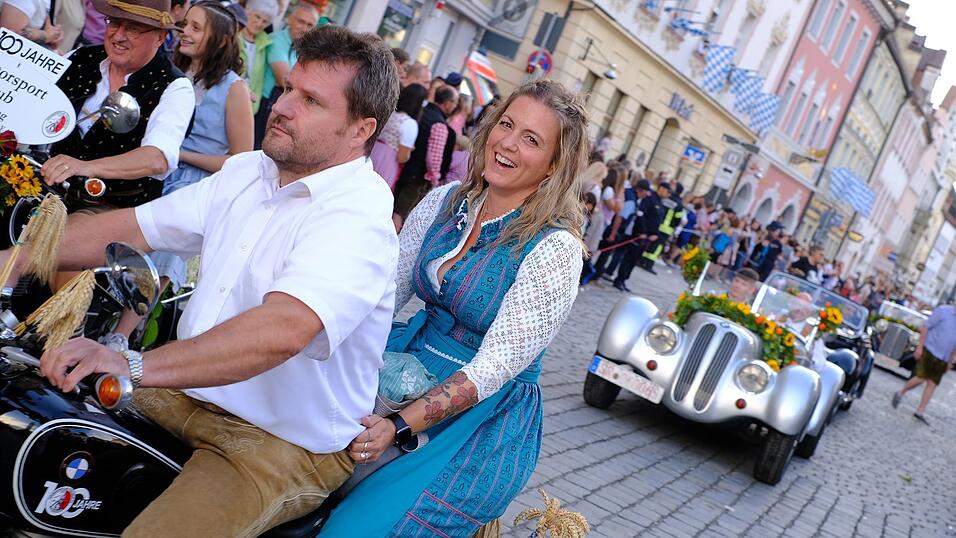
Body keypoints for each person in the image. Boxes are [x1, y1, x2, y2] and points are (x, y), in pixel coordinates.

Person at [22, 25, 400, 535]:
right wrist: (17, 254)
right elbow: (133, 227)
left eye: (311, 101)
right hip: (187, 393)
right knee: (32, 408)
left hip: (278, 440)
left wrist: (130, 360)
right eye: (290, 88)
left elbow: (281, 331)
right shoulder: (249, 172)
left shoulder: (359, 215)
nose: (283, 107)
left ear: (361, 130)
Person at [319, 79, 587, 538]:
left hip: (479, 419)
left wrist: (397, 425)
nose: (507, 143)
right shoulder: (445, 201)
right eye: (507, 124)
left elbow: (494, 369)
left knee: (357, 530)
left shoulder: (556, 249)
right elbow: (382, 296)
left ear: (553, 166)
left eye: (532, 140)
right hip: (405, 368)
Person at [42, 0, 195, 210]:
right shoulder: (80, 57)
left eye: (133, 28)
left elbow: (157, 158)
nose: (119, 35)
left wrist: (86, 167)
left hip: (112, 207)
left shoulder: (174, 87)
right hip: (47, 190)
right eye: (114, 22)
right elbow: (33, 101)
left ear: (160, 36)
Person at [147, 0, 254, 293]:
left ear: (219, 40)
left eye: (196, 27)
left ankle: (121, 334)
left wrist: (178, 153)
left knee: (170, 234)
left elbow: (242, 160)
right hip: (153, 165)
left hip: (193, 182)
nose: (185, 32)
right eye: (185, 25)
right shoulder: (167, 68)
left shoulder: (235, 88)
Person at [253, 2, 319, 147]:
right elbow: (283, 79)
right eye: (301, 21)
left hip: (286, 102)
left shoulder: (303, 49)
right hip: (267, 103)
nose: (305, 28)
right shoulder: (277, 40)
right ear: (289, 18)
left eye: (310, 25)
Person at [392, 85, 459, 224]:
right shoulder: (439, 125)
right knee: (400, 216)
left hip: (402, 168)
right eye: (455, 102)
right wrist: (435, 181)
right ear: (447, 103)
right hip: (418, 178)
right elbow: (434, 160)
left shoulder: (422, 111)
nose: (455, 106)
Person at [892, 303, 956, 425]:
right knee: (921, 377)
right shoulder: (943, 311)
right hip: (930, 350)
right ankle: (901, 392)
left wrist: (951, 360)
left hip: (944, 356)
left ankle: (920, 411)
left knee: (932, 384)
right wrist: (920, 347)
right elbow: (925, 327)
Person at [370, 83, 426, 190]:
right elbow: (402, 157)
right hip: (387, 161)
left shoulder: (389, 114)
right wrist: (409, 151)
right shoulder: (409, 123)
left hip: (373, 152)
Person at [612, 178, 660, 291]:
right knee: (626, 258)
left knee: (632, 260)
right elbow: (640, 216)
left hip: (643, 236)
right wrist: (643, 232)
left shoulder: (652, 200)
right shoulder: (644, 200)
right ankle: (618, 278)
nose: (647, 193)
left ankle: (623, 279)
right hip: (636, 234)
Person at [239, 0, 279, 115]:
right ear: (247, 11)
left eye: (265, 21)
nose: (260, 23)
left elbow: (259, 81)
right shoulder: (233, 35)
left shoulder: (265, 43)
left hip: (249, 107)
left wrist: (254, 107)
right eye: (257, 17)